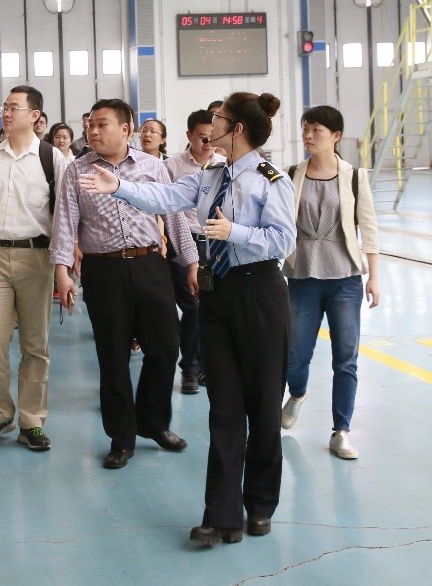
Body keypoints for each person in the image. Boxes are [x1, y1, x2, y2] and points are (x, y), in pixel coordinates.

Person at [79, 92, 295, 545]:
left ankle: (260, 504)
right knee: (225, 408)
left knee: (263, 405)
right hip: (218, 296)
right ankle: (221, 514)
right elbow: (165, 196)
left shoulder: (270, 179)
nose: (211, 124)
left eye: (219, 118)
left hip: (259, 293)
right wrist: (120, 188)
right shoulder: (210, 176)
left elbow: (283, 240)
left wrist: (235, 232)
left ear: (237, 128)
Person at [53, 98, 197, 470]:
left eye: (102, 124)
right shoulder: (77, 170)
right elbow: (65, 222)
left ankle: (153, 422)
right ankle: (121, 437)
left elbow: (174, 215)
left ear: (126, 129)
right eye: (90, 124)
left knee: (165, 347)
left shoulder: (153, 166)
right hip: (103, 271)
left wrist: (191, 261)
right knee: (113, 356)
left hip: (150, 264)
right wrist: (62, 270)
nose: (93, 130)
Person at [0, 86, 65, 452]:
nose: (6, 113)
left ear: (35, 115)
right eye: (4, 106)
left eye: (14, 108)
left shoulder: (52, 158)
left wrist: (64, 267)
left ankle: (31, 420)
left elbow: (64, 217)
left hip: (37, 258)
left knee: (35, 344)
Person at [281, 105, 380, 460]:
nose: (308, 136)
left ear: (336, 136)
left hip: (345, 278)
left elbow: (369, 228)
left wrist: (374, 277)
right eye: (306, 129)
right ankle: (297, 393)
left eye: (317, 130)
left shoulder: (355, 177)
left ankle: (341, 430)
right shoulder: (291, 174)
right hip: (302, 274)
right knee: (295, 354)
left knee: (346, 357)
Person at [162, 110, 225, 395]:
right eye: (202, 138)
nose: (208, 143)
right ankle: (189, 368)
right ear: (189, 135)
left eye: (212, 138)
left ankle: (208, 366)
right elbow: (164, 206)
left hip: (217, 243)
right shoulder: (172, 167)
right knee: (192, 307)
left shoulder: (223, 165)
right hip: (185, 243)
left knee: (214, 309)